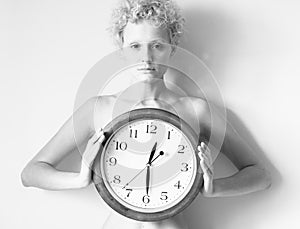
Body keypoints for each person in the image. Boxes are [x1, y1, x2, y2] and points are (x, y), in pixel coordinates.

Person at [21, 0, 272, 228]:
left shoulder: (196, 109)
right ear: (121, 49)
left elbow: (260, 175)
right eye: (135, 46)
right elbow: (31, 173)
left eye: (157, 45)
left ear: (172, 47)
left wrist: (213, 188)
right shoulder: (99, 109)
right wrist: (80, 178)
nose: (146, 57)